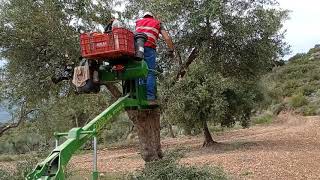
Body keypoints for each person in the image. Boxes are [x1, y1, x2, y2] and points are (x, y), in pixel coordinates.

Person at [135, 12, 175, 105]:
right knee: (150, 72)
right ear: (152, 17)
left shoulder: (138, 22)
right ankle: (150, 98)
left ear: (144, 16)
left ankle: (140, 96)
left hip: (137, 49)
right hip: (149, 48)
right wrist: (171, 50)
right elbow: (167, 38)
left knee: (139, 71)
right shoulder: (157, 23)